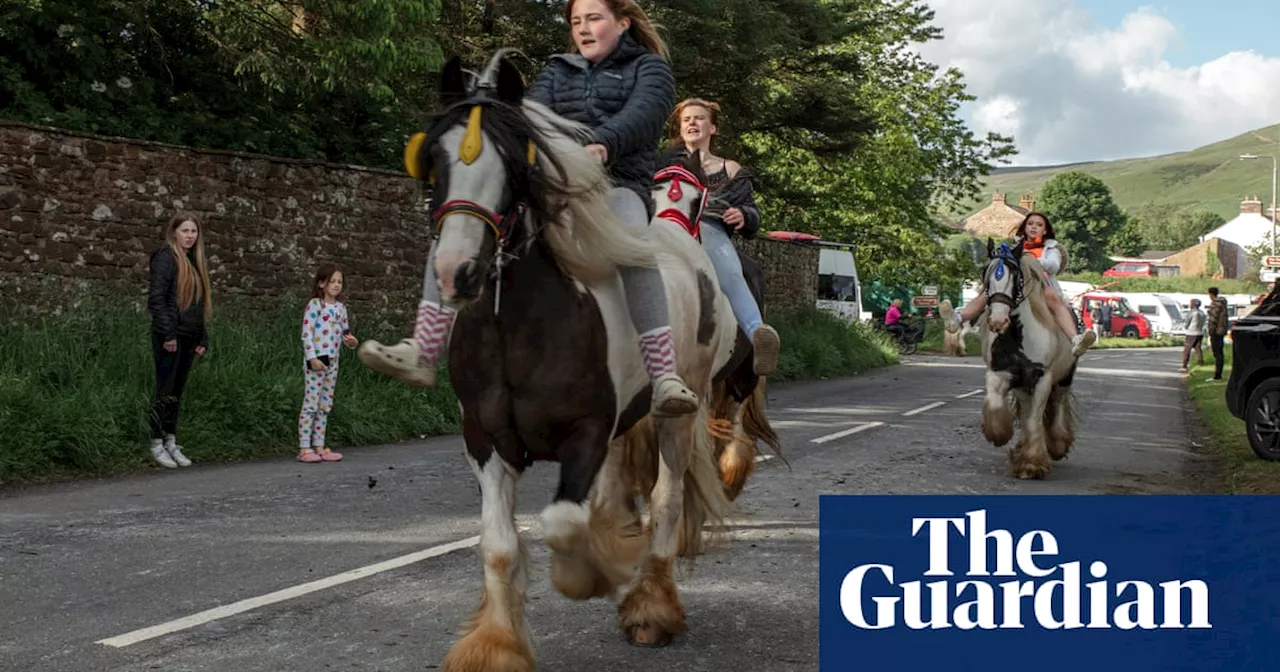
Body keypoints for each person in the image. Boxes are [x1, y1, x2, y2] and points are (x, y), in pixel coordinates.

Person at [359, 0, 699, 417]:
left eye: (594, 19)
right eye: (576, 22)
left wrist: (604, 143)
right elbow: (528, 118)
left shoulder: (650, 69)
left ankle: (663, 376)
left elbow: (644, 116)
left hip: (617, 183)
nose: (584, 29)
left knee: (635, 250)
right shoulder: (558, 70)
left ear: (623, 23)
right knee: (460, 224)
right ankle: (423, 350)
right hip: (555, 183)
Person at [660, 97, 780, 375]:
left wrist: (743, 214)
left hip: (708, 230)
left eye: (699, 118)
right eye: (686, 119)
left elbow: (752, 211)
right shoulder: (660, 164)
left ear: (712, 128)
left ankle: (757, 335)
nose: (692, 123)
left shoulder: (730, 169)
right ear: (680, 128)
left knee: (730, 269)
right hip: (663, 229)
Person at [939, 212, 1096, 357]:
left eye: (1039, 225)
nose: (1034, 227)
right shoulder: (1013, 245)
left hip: (1039, 286)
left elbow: (1053, 265)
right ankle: (957, 319)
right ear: (1025, 227)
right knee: (987, 294)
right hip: (1015, 287)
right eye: (1030, 223)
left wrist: (1031, 260)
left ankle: (1075, 338)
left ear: (1045, 230)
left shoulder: (1051, 248)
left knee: (1053, 298)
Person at [145, 213, 211, 469]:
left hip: (189, 335)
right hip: (170, 336)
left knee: (176, 392)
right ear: (174, 232)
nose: (190, 236)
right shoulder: (165, 258)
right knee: (164, 389)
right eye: (185, 230)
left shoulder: (193, 262)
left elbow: (197, 304)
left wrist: (202, 335)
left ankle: (171, 439)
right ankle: (155, 442)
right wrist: (168, 334)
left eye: (193, 231)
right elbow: (157, 299)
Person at [298, 264, 359, 463]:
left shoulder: (341, 309)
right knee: (311, 404)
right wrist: (312, 358)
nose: (336, 285)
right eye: (332, 281)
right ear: (321, 283)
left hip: (333, 361)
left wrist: (351, 342)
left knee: (325, 405)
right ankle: (305, 447)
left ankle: (320, 445)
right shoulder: (315, 305)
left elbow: (345, 334)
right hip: (317, 359)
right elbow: (306, 334)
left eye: (339, 282)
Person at [1204, 286, 1229, 381]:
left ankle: (1217, 375)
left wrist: (1210, 331)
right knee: (1220, 352)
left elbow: (1214, 318)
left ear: (1210, 294)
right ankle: (1218, 373)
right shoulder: (1223, 303)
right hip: (1221, 330)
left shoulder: (1216, 304)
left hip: (1216, 331)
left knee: (1217, 353)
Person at [1180, 298, 1206, 372]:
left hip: (1191, 332)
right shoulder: (1202, 312)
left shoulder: (1192, 312)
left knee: (1187, 349)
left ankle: (1184, 365)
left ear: (1193, 304)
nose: (1189, 305)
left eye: (1190, 303)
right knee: (1198, 348)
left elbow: (1187, 322)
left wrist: (1185, 327)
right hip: (1200, 332)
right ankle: (1200, 362)